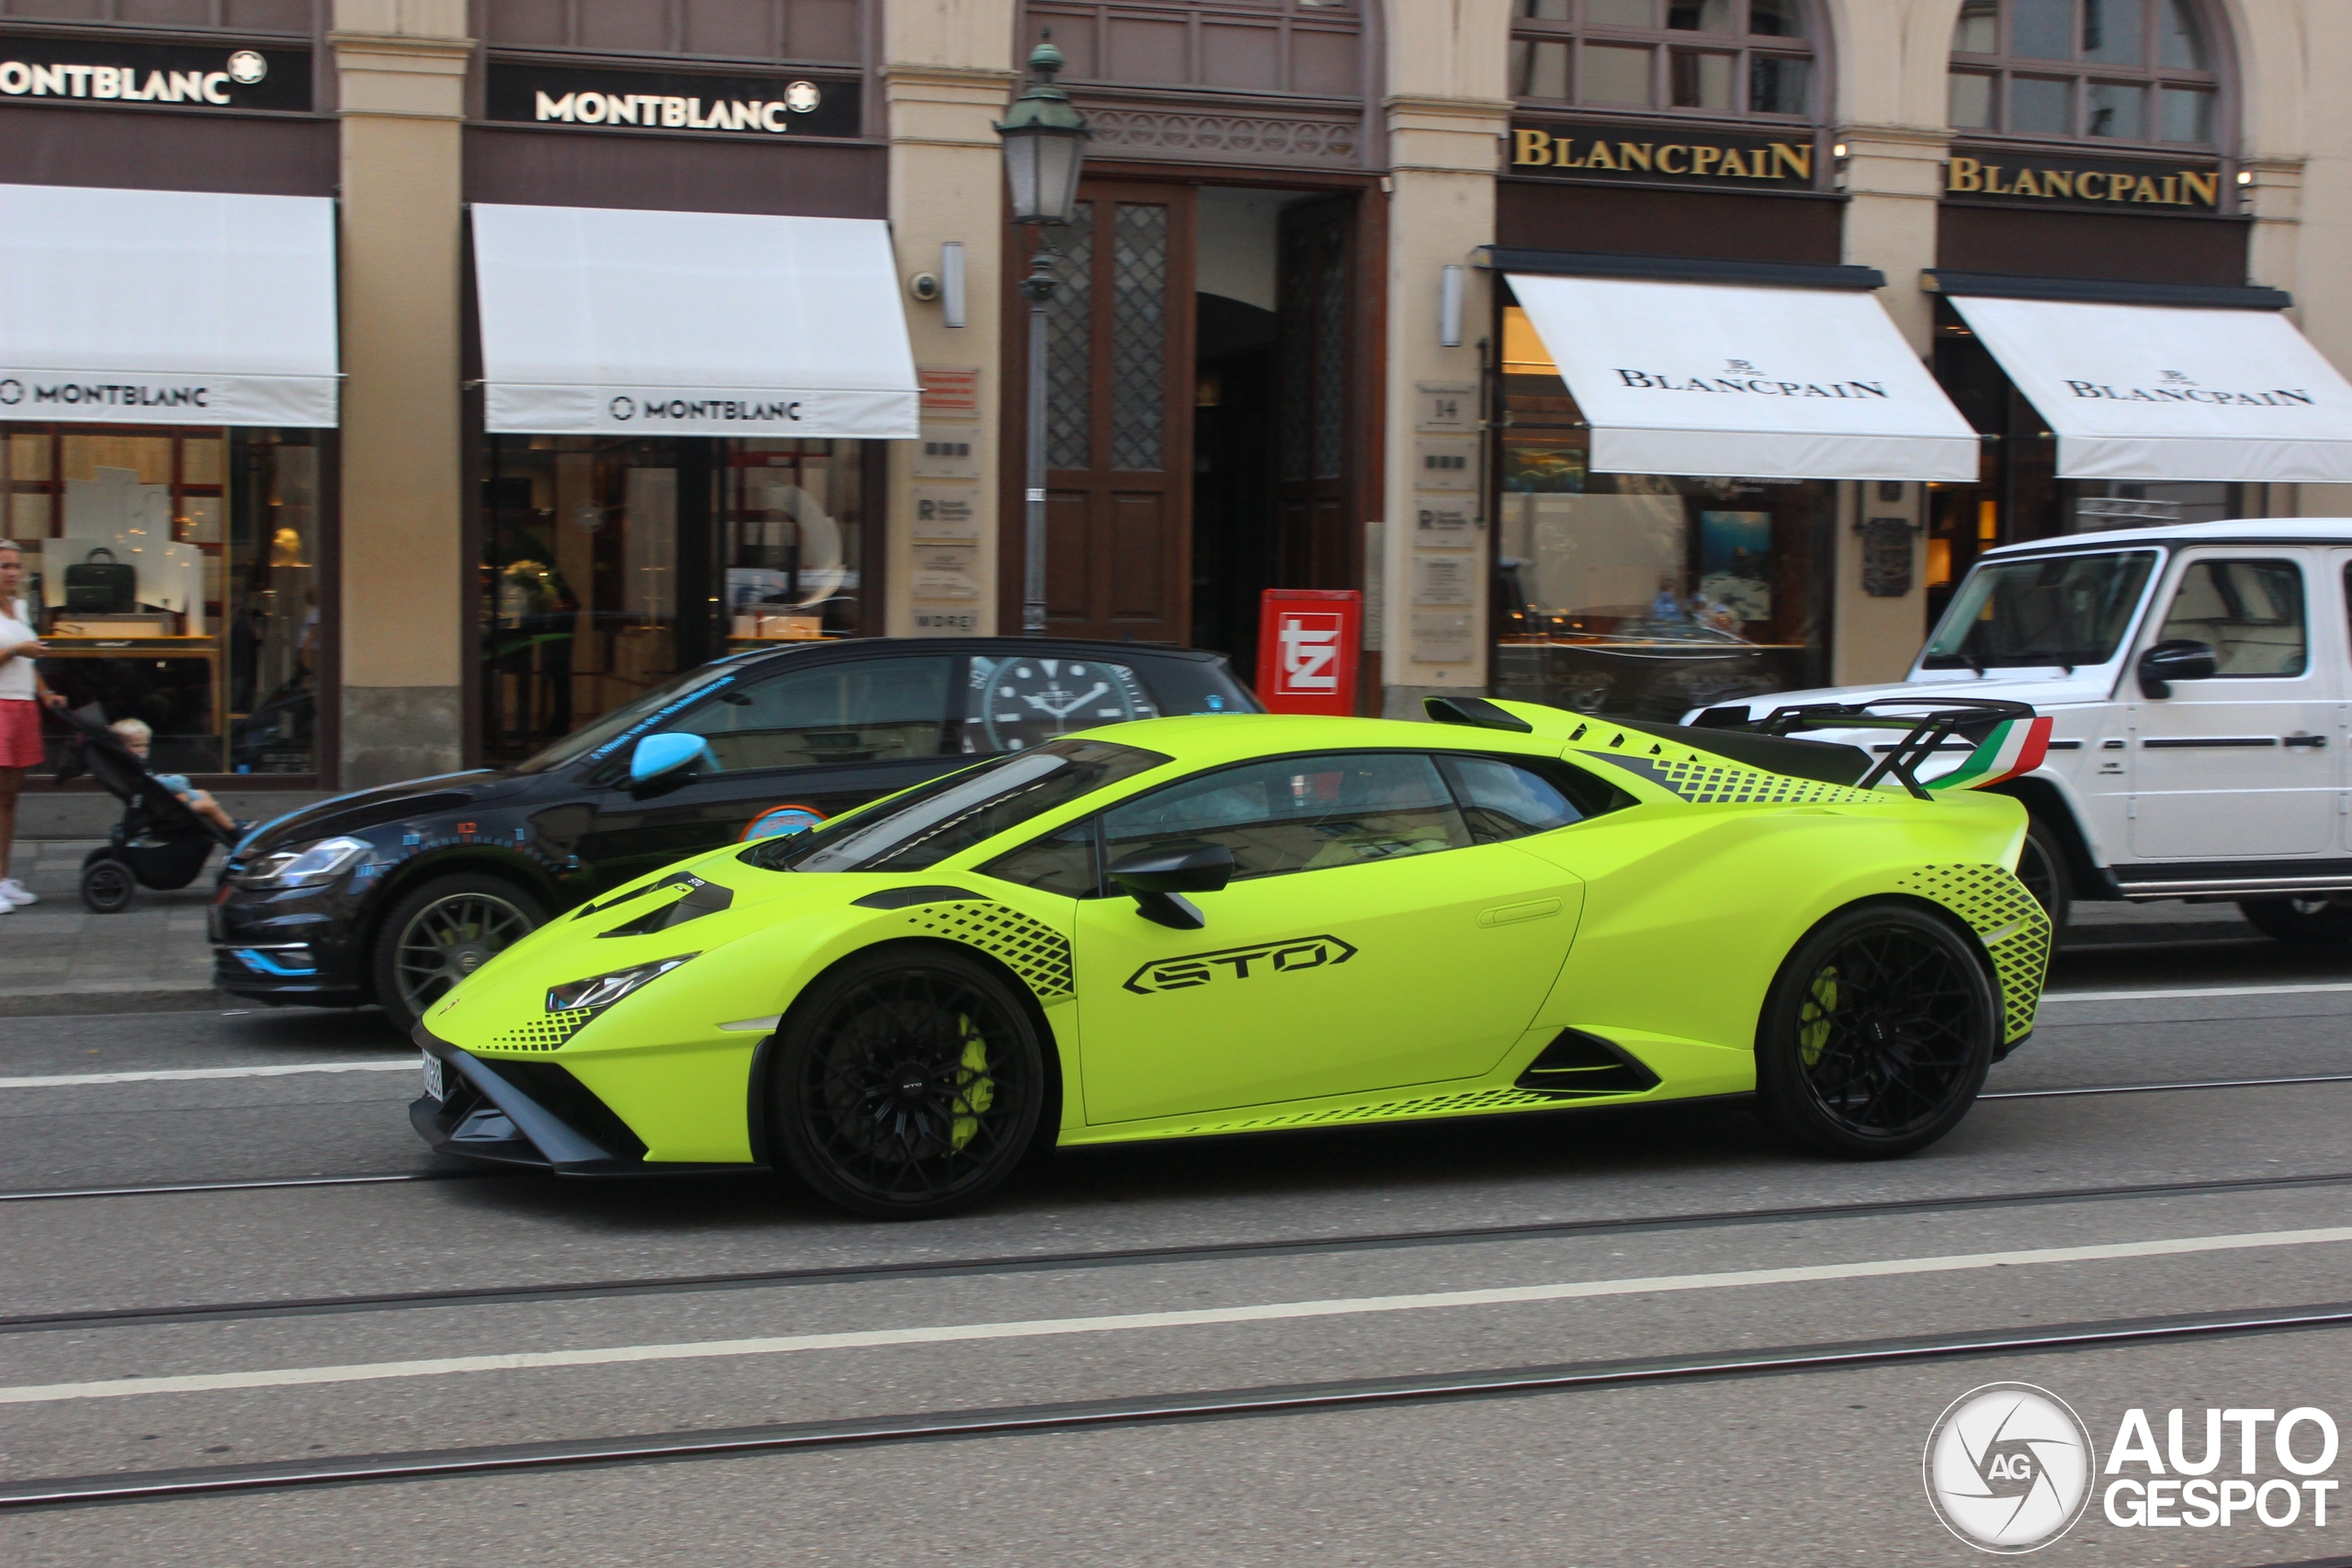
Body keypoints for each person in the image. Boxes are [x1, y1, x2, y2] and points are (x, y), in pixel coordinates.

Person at [0, 539, 68, 912]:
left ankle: (3, 878)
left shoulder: (21, 607)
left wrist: (45, 693)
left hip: (23, 706)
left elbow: (29, 664)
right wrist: (14, 651)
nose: (11, 572)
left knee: (9, 800)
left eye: (15, 566)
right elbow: (17, 655)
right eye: (4, 566)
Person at [107, 717, 240, 836]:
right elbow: (145, 791)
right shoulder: (131, 770)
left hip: (164, 803)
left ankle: (227, 822)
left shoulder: (138, 766)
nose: (143, 749)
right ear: (121, 748)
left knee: (203, 793)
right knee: (209, 806)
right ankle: (234, 832)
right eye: (136, 746)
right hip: (162, 811)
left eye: (146, 745)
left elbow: (153, 785)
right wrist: (176, 791)